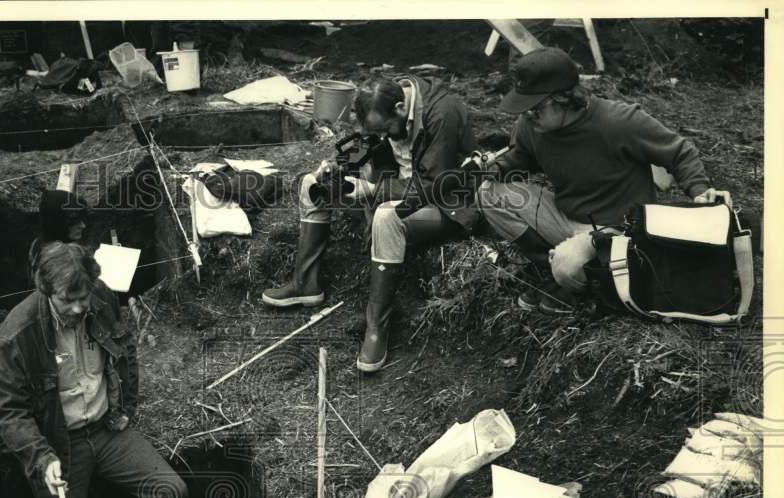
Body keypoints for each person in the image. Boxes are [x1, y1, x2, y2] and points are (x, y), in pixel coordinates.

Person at [0, 242, 188, 498]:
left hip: (107, 429)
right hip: (58, 445)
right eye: (69, 300)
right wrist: (41, 457)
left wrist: (124, 407)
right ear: (46, 290)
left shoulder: (100, 298)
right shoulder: (18, 333)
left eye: (84, 297)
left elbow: (125, 350)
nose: (80, 307)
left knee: (171, 492)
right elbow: (7, 409)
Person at [478, 47, 733, 314]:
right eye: (525, 108)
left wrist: (699, 191)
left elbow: (679, 152)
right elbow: (521, 157)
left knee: (567, 265)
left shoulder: (618, 121)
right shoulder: (531, 126)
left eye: (535, 109)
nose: (528, 116)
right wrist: (493, 169)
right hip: (565, 215)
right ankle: (552, 270)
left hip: (616, 229)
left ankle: (577, 277)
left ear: (563, 98)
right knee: (488, 193)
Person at [262, 75, 479, 372]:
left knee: (386, 217)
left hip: (446, 203)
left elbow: (432, 185)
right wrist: (338, 165)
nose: (387, 136)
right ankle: (305, 283)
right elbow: (370, 141)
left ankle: (376, 328)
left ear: (402, 109)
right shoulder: (388, 106)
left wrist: (374, 190)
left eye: (388, 128)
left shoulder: (443, 112)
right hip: (397, 189)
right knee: (313, 185)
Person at [27, 190, 88, 282]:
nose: (83, 226)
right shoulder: (58, 259)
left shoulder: (40, 243)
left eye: (81, 220)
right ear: (58, 223)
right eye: (74, 222)